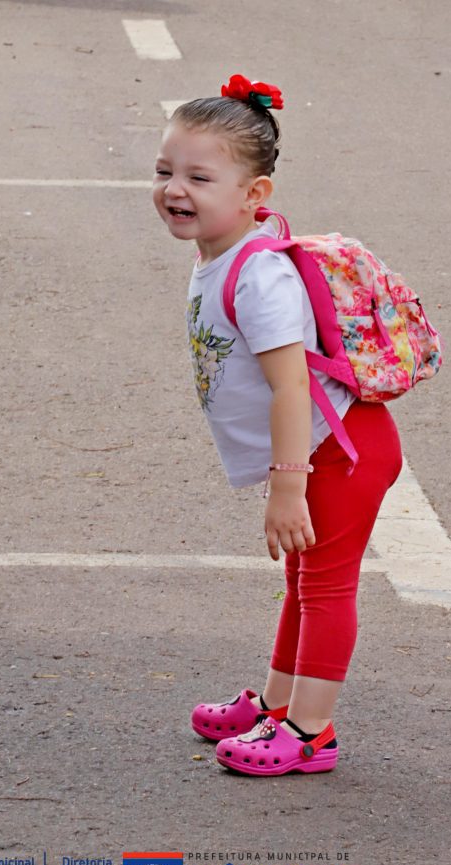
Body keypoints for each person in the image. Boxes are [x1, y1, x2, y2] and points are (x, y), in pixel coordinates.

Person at [152, 75, 403, 775]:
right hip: (319, 450)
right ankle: (275, 706)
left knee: (323, 584)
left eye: (199, 176)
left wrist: (286, 484)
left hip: (336, 451)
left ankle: (310, 733)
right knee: (300, 580)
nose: (175, 188)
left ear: (253, 195)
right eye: (165, 171)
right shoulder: (219, 253)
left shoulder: (258, 276)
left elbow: (291, 386)